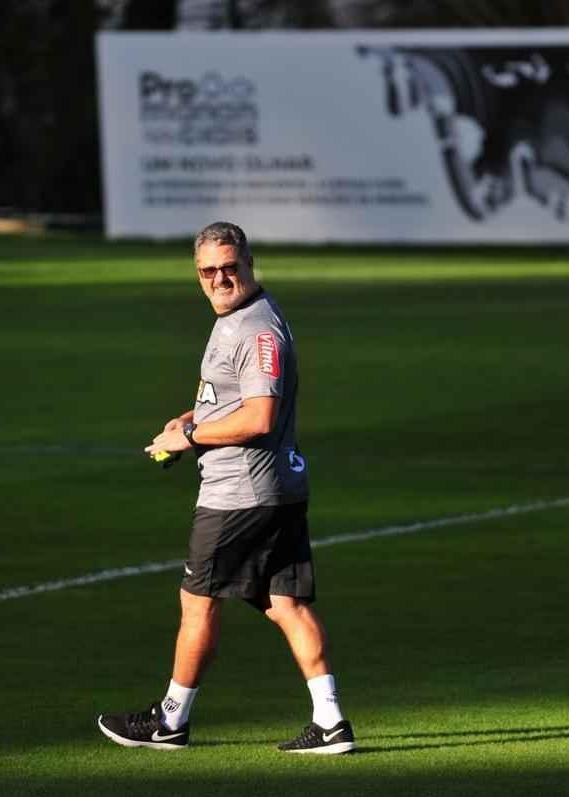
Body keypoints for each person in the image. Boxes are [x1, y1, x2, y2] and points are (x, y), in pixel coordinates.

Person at [96, 221, 355, 755]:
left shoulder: (257, 329)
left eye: (228, 268)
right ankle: (331, 722)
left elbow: (259, 417)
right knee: (286, 603)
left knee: (197, 601)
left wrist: (191, 437)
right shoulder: (236, 319)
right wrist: (191, 419)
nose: (218, 279)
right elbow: (234, 400)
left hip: (240, 494)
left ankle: (171, 720)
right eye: (207, 271)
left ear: (249, 264)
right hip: (273, 487)